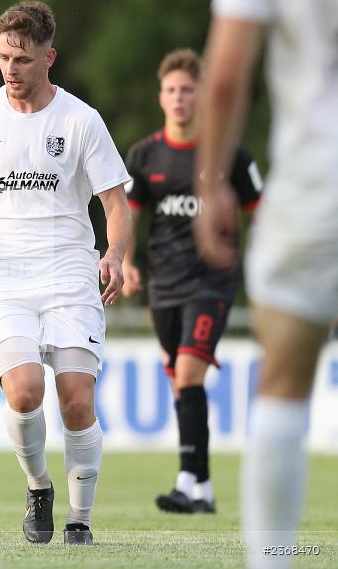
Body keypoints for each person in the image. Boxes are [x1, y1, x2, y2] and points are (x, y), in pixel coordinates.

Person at [0, 0, 132, 546]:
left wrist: (115, 254)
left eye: (22, 59)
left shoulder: (80, 120)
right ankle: (38, 484)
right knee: (23, 392)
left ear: (49, 57)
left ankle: (80, 520)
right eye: (2, 57)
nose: (10, 69)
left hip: (69, 275)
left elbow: (116, 202)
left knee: (76, 399)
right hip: (2, 277)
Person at [194, 0, 338, 567]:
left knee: (283, 384)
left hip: (318, 182)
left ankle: (271, 561)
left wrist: (212, 179)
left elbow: (226, 76)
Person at [121, 48, 262, 514]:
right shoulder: (144, 156)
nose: (179, 97)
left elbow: (260, 213)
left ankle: (186, 482)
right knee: (184, 385)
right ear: (161, 97)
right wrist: (124, 263)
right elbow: (127, 216)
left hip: (212, 283)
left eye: (187, 89)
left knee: (188, 373)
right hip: (164, 286)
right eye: (171, 90)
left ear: (200, 96)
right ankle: (202, 488)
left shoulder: (230, 155)